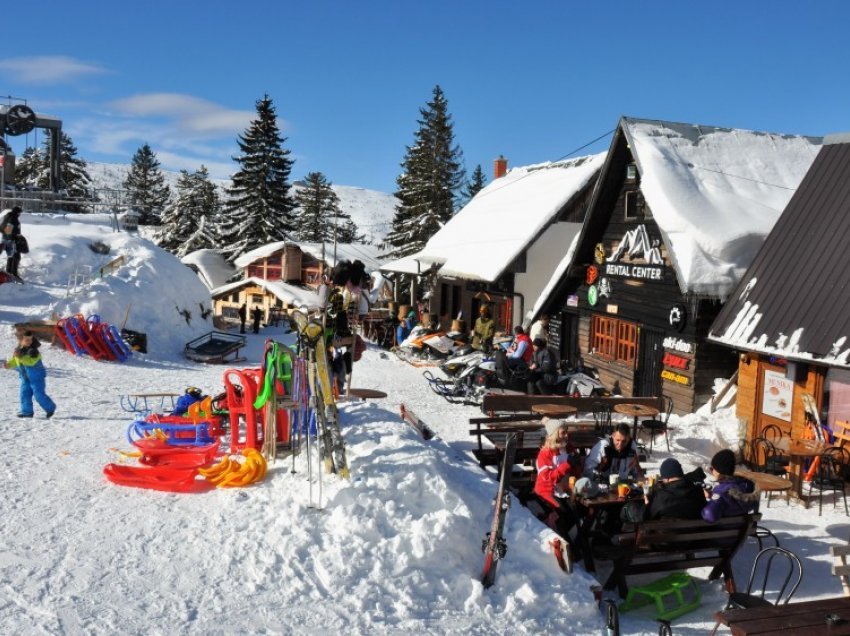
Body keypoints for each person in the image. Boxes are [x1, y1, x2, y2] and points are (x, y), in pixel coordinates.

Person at [533, 418, 582, 552]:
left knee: (576, 511)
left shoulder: (568, 448)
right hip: (546, 490)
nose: (566, 435)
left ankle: (552, 528)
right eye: (563, 432)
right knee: (562, 513)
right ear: (554, 434)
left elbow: (576, 468)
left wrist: (577, 465)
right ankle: (569, 547)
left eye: (566, 432)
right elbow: (548, 478)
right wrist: (567, 465)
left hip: (563, 489)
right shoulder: (545, 453)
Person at [621, 458, 706, 523]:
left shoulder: (662, 496)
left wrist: (648, 505)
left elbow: (644, 517)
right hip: (691, 540)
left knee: (628, 507)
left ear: (666, 478)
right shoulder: (698, 491)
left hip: (662, 543)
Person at [4, 330, 56, 419]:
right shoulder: (18, 351)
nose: (29, 342)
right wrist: (9, 364)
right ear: (21, 341)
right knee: (24, 394)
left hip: (37, 378)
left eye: (30, 340)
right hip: (25, 378)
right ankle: (27, 412)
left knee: (38, 395)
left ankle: (50, 408)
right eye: (26, 340)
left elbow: (30, 363)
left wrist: (20, 358)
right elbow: (15, 361)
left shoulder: (34, 352)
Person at [702, 449, 759, 522]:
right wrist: (712, 496)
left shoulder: (721, 491)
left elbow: (710, 515)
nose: (711, 471)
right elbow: (731, 503)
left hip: (722, 531)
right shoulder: (748, 486)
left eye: (712, 469)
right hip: (740, 530)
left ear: (720, 471)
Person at [1, 206, 22, 278]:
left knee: (11, 256)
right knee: (16, 257)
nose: (20, 214)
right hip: (10, 240)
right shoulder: (12, 219)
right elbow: (8, 231)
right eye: (19, 213)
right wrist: (12, 239)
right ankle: (13, 273)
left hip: (6, 239)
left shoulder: (8, 216)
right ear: (17, 213)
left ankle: (9, 271)